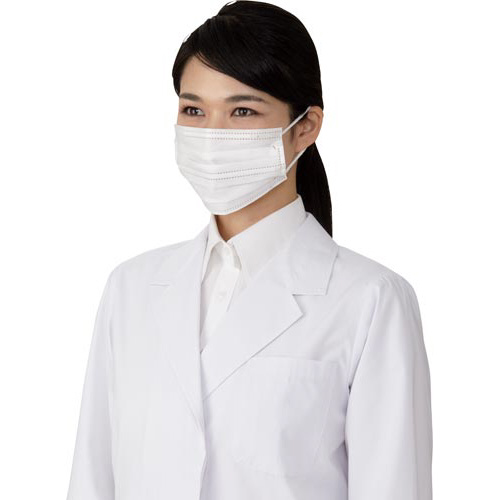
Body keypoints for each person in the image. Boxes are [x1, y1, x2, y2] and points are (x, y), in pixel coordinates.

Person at [65, 2, 433, 499]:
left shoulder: (370, 300)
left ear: (305, 127)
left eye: (242, 111)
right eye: (194, 110)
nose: (211, 135)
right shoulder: (130, 289)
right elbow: (92, 480)